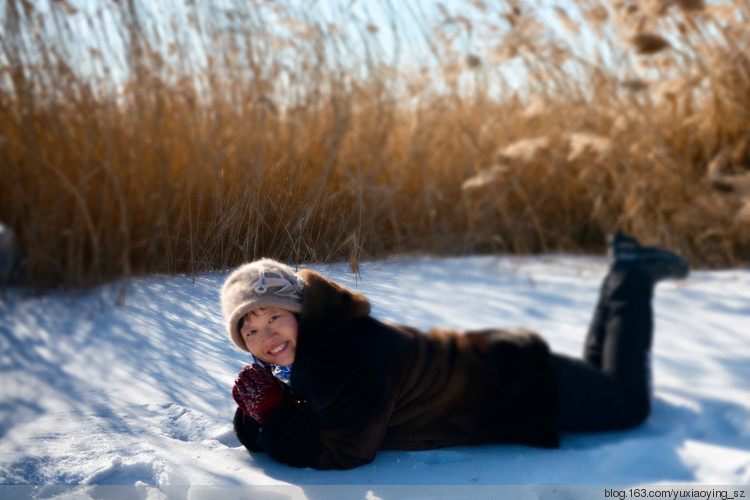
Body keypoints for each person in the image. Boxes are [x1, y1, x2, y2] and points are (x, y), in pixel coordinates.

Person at [220, 233, 689, 470]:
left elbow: (342, 450)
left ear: (300, 312)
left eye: (275, 316)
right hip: (493, 363)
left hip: (518, 388)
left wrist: (272, 417)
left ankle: (630, 281)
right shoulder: (317, 349)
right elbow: (306, 412)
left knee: (627, 405)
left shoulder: (347, 354)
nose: (268, 336)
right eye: (252, 330)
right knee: (600, 379)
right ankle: (622, 277)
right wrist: (258, 413)